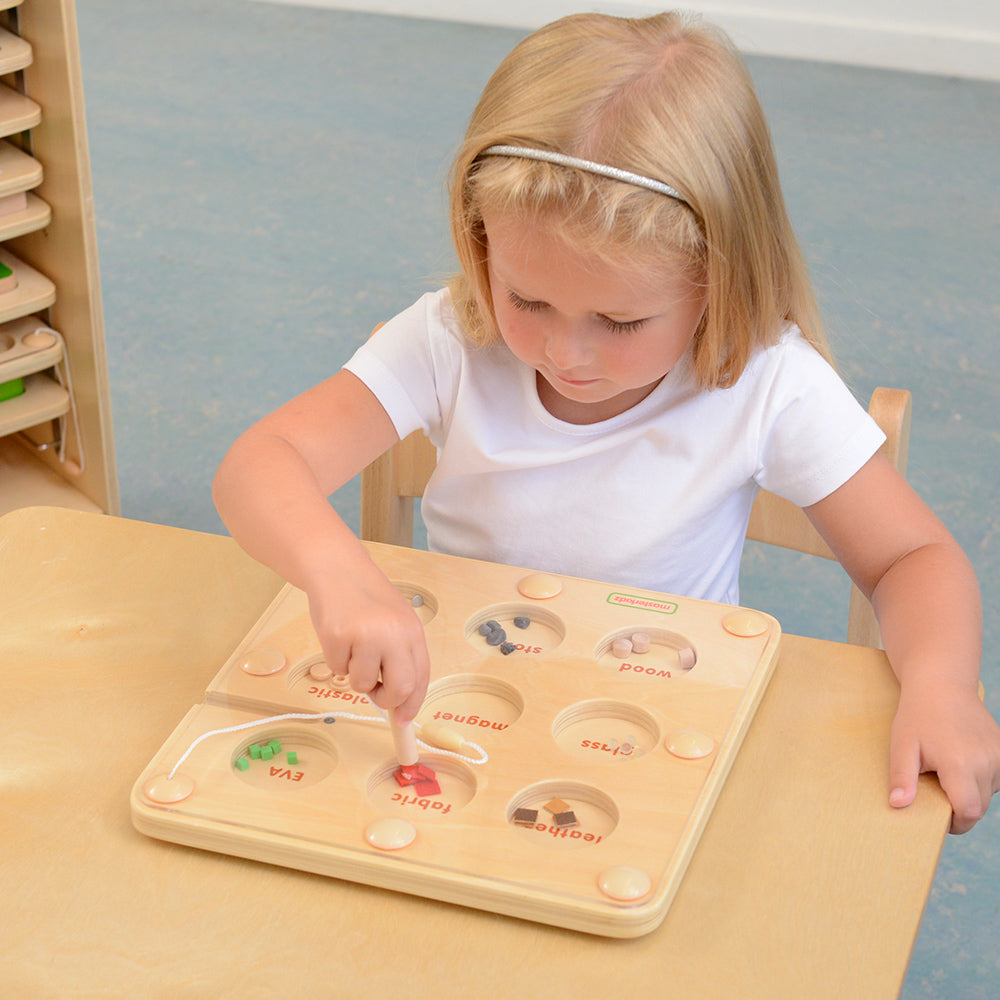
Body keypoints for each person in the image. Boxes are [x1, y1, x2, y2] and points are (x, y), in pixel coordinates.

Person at [213, 11, 1000, 832]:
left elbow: (915, 557)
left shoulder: (769, 381)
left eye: (621, 323)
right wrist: (340, 573)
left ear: (719, 280)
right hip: (460, 715)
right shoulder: (453, 335)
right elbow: (261, 462)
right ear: (482, 244)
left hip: (650, 737)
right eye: (528, 299)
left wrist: (940, 686)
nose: (566, 352)